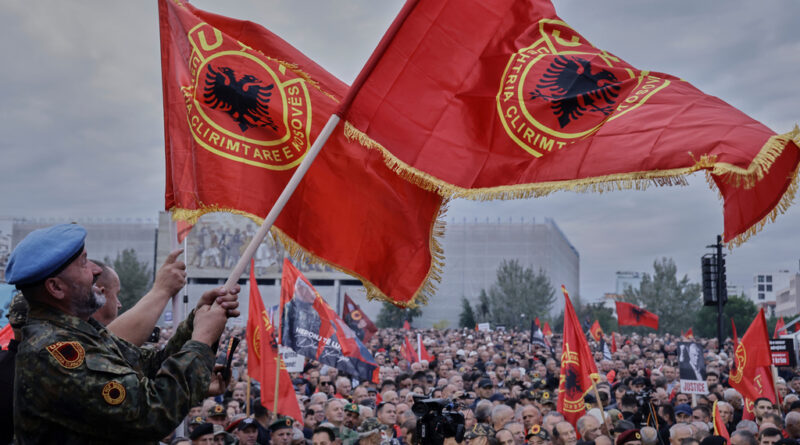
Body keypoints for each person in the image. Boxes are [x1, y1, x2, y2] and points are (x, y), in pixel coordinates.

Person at [7, 223, 240, 443]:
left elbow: (152, 368)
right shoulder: (54, 352)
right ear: (55, 287)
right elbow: (151, 413)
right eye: (84, 263)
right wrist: (200, 341)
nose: (96, 270)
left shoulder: (82, 332)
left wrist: (197, 318)